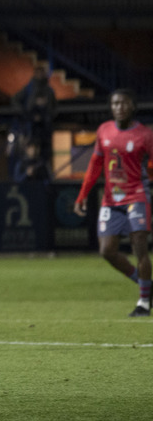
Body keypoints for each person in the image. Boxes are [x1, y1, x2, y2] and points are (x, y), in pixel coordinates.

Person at [73, 89, 152, 317]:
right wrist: (82, 195)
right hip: (111, 199)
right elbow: (95, 165)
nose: (119, 107)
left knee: (140, 249)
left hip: (137, 196)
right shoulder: (104, 130)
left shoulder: (145, 135)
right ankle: (145, 285)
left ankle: (143, 304)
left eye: (123, 103)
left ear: (132, 107)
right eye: (115, 103)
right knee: (107, 251)